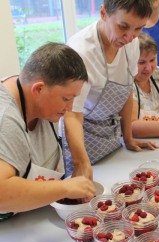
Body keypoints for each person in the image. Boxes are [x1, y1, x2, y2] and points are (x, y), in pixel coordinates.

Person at [62, 0, 159, 180]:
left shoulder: (131, 43)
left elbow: (126, 90)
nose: (130, 37)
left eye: (139, 29)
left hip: (111, 139)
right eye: (123, 26)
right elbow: (72, 115)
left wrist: (128, 137)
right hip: (82, 140)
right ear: (104, 13)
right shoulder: (81, 51)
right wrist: (80, 164)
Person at [0, 43, 96, 221]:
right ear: (38, 89)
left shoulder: (38, 97)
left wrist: (81, 161)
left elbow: (69, 117)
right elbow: (2, 194)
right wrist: (66, 188)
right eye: (66, 99)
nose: (70, 108)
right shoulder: (5, 118)